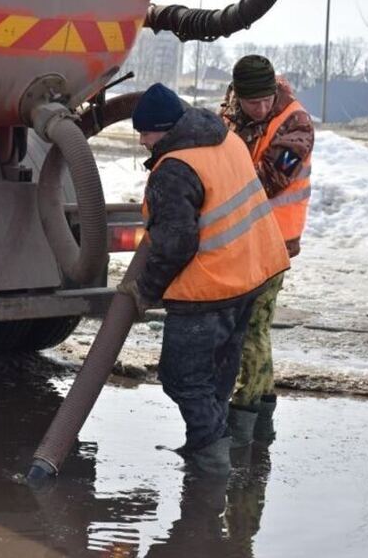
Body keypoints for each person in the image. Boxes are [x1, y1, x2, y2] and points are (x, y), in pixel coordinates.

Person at [118, 83, 290, 476]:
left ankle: (211, 460)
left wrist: (144, 291)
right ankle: (212, 447)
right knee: (219, 371)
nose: (144, 142)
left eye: (147, 133)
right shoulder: (224, 139)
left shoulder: (174, 169)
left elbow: (174, 245)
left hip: (208, 288)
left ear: (165, 127)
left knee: (181, 376)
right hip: (251, 276)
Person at [220, 55, 315, 447]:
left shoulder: (296, 123)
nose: (258, 109)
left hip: (275, 242)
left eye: (264, 101)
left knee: (251, 329)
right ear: (238, 96)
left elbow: (269, 180)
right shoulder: (229, 114)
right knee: (254, 329)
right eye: (250, 103)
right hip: (240, 240)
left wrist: (214, 182)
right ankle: (261, 420)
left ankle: (241, 416)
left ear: (274, 92)